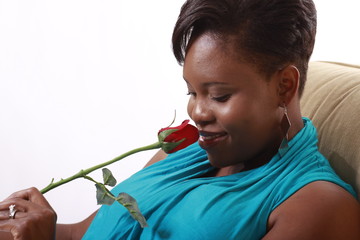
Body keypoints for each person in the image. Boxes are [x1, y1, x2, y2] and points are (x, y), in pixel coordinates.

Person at [1, 0, 360, 239]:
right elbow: (90, 233)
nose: (198, 113)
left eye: (219, 95)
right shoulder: (183, 150)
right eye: (192, 92)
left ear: (285, 86)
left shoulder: (318, 207)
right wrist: (35, 227)